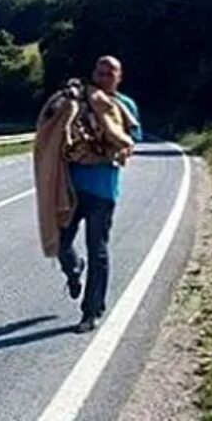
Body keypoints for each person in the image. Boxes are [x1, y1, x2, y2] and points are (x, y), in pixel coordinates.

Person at [59, 56, 141, 333]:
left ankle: (91, 311)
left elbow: (132, 139)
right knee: (60, 243)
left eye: (111, 73)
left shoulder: (125, 106)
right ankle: (73, 268)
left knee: (99, 251)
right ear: (93, 73)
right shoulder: (78, 101)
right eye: (101, 71)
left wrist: (118, 148)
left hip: (103, 191)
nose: (105, 76)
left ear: (119, 77)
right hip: (70, 189)